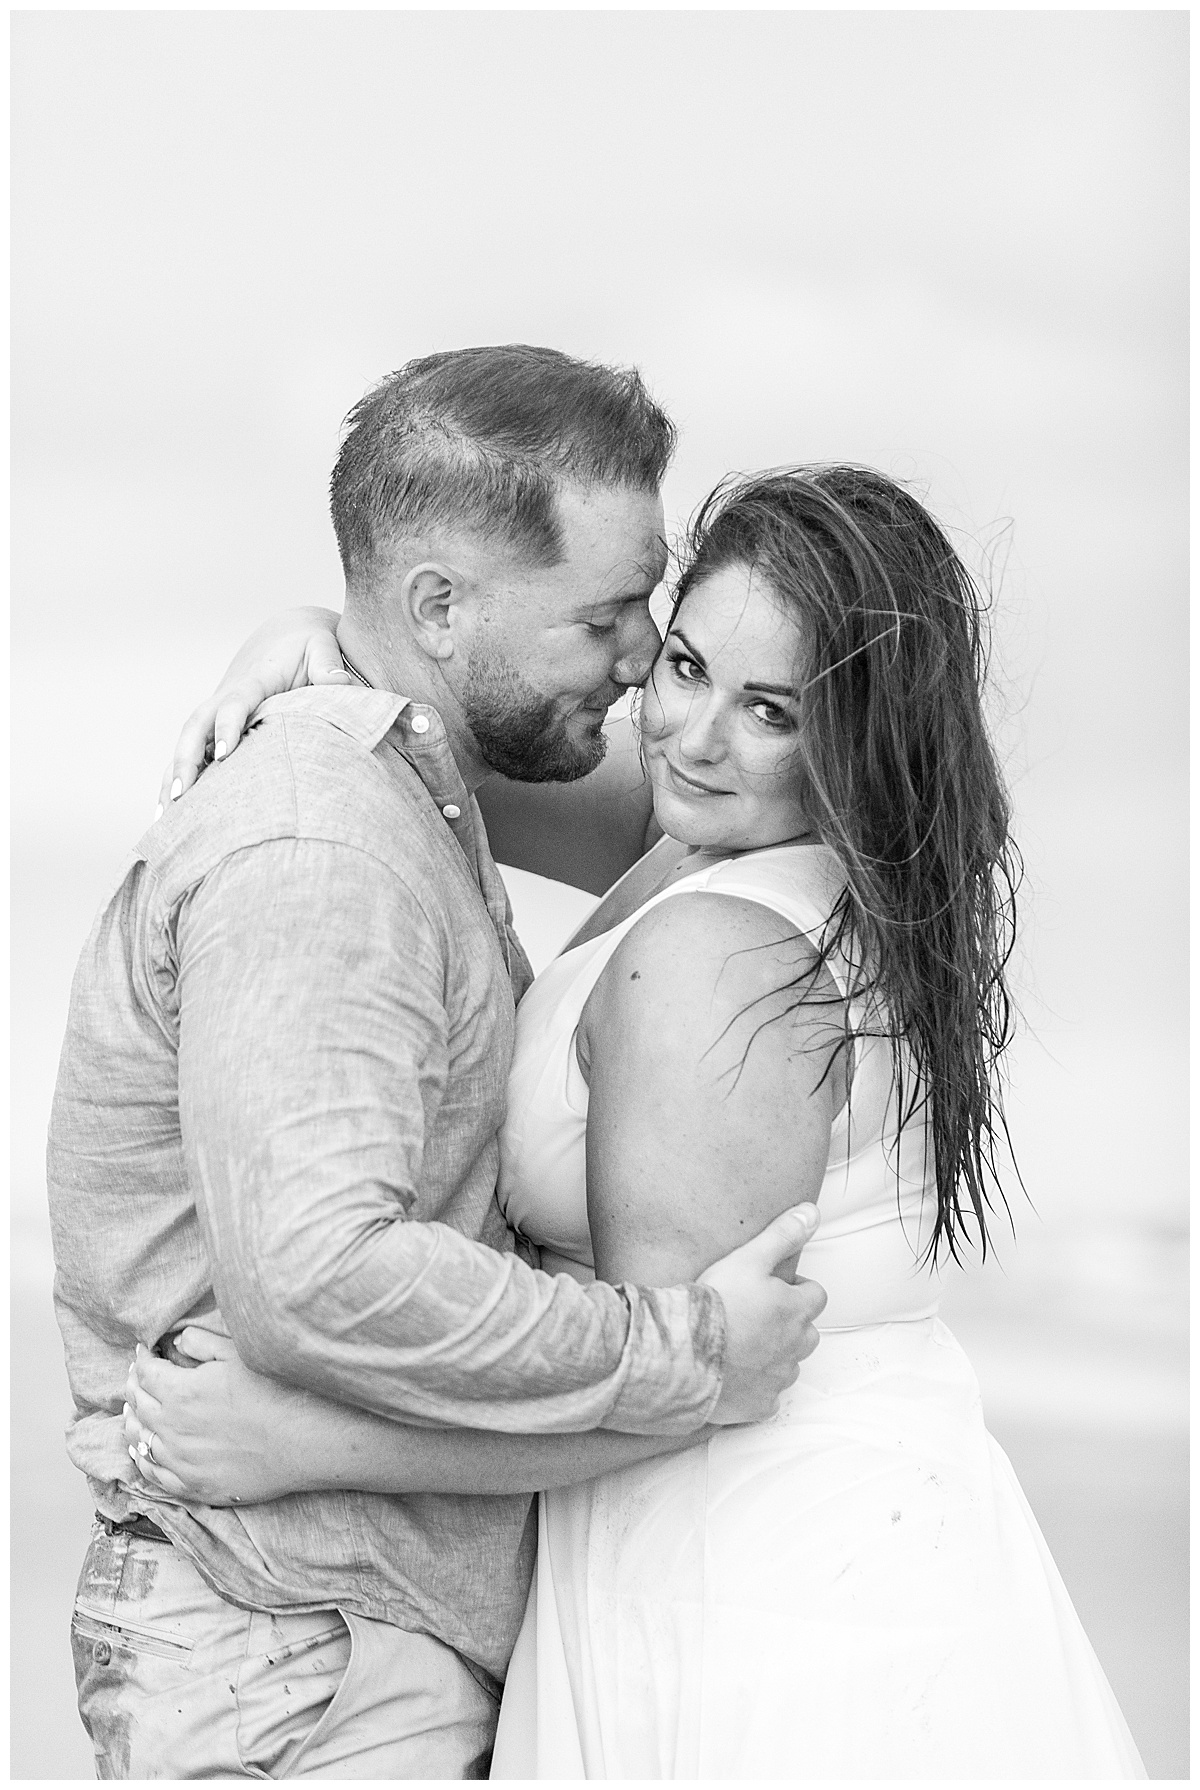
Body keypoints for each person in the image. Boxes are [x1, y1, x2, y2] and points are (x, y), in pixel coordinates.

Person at [125, 463, 1146, 1778]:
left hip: (753, 1577)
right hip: (854, 1520)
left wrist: (294, 1440)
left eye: (771, 709)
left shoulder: (715, 956)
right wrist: (315, 642)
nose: (690, 734)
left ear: (855, 738)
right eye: (680, 664)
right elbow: (444, 758)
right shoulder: (787, 858)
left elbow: (671, 1382)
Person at [47, 346, 830, 1781]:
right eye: (609, 614)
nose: (645, 656)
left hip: (327, 1635)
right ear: (439, 607)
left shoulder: (418, 789)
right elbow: (325, 1271)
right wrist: (691, 1351)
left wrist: (322, 642)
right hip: (298, 1654)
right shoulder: (325, 845)